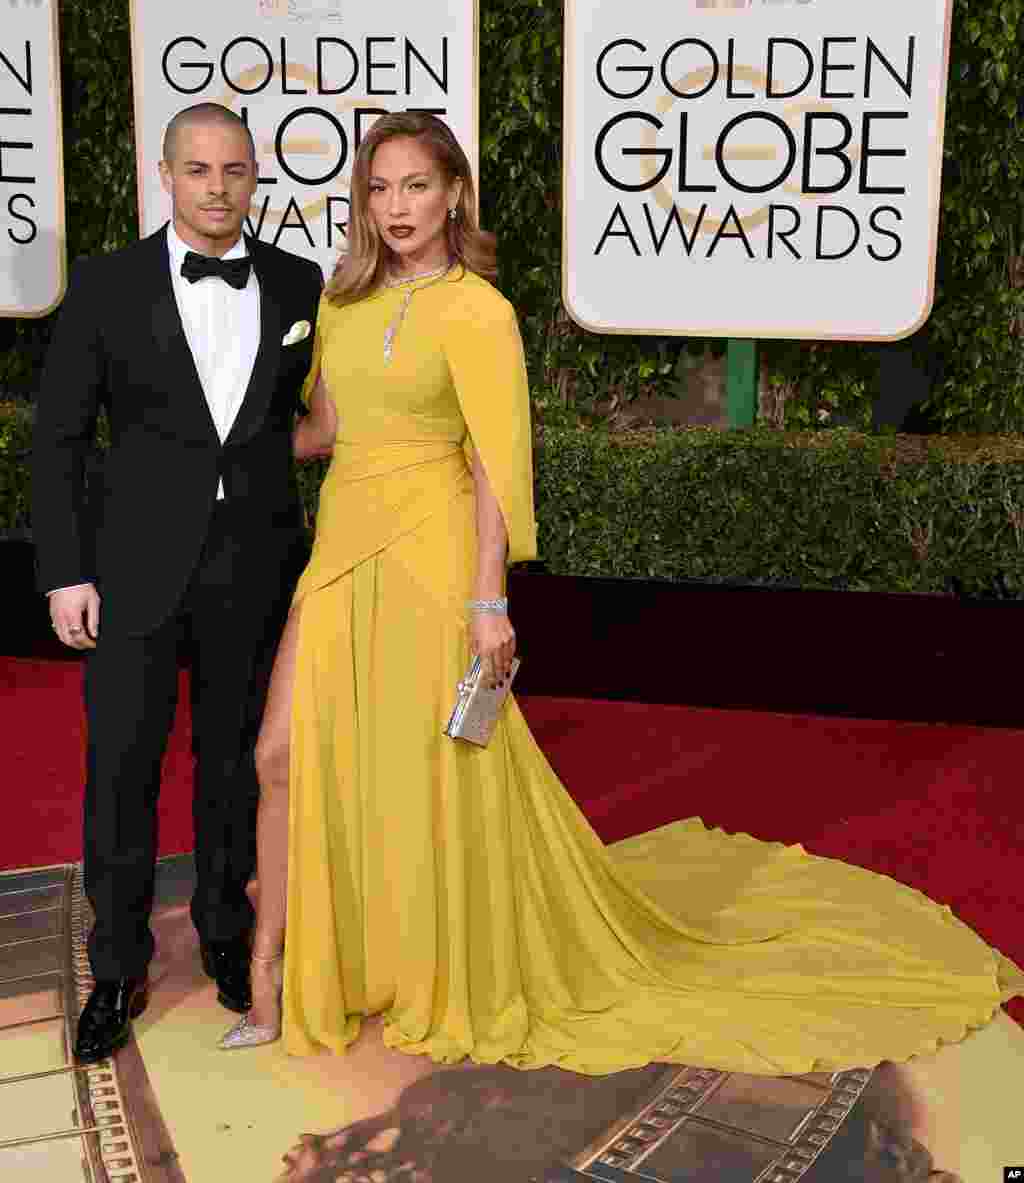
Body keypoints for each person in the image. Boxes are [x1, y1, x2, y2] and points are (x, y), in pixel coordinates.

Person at [220, 111, 1023, 1075]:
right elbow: (322, 430)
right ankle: (279, 978)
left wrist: (489, 603)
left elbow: (493, 464)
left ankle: (411, 969)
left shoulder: (480, 310)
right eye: (381, 189)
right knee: (280, 755)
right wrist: (203, 431)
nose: (398, 208)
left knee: (431, 772)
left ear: (453, 196)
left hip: (431, 553)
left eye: (417, 187)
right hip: (342, 550)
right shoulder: (342, 306)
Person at [31, 102, 323, 1064]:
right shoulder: (106, 287)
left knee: (236, 767)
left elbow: (301, 423)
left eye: (234, 170)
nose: (216, 188)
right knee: (122, 770)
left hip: (256, 566)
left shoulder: (297, 283)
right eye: (197, 170)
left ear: (254, 178)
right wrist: (65, 571)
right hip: (131, 572)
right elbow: (61, 439)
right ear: (166, 175)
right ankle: (114, 966)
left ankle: (230, 937)